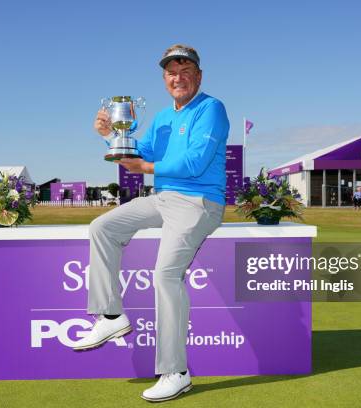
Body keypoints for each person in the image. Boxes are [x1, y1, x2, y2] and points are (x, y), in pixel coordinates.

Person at [74, 44, 229, 402]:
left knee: (165, 275)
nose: (179, 77)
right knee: (102, 227)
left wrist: (147, 169)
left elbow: (195, 162)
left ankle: (177, 372)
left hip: (200, 201)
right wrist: (110, 134)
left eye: (186, 71)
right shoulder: (161, 118)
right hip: (163, 199)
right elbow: (138, 152)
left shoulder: (211, 108)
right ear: (164, 80)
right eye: (172, 72)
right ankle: (111, 316)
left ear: (198, 76)